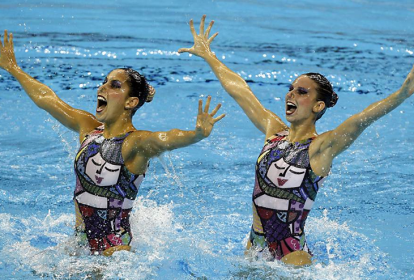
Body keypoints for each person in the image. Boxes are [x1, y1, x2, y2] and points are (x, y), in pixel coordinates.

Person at [178, 15, 414, 266]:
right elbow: (240, 90)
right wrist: (209, 56)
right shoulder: (274, 132)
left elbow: (361, 119)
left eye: (302, 92)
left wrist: (404, 91)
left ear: (318, 105)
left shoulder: (321, 147)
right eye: (291, 88)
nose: (291, 93)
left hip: (291, 257)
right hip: (254, 248)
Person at [0, 30, 225, 256]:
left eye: (114, 85)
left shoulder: (134, 143)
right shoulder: (88, 129)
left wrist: (197, 134)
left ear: (131, 102)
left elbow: (165, 138)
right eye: (104, 82)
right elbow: (47, 99)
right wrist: (13, 69)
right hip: (78, 246)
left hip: (114, 254)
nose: (102, 88)